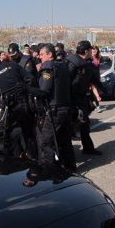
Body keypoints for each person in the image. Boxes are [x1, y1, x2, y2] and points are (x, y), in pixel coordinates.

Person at [0, 43, 37, 159]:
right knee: (29, 134)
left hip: (10, 110)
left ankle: (10, 161)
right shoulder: (12, 65)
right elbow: (30, 79)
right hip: (25, 105)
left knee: (2, 135)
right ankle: (33, 161)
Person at [38, 43, 76, 172]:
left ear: (50, 55)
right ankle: (70, 168)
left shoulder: (48, 66)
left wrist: (29, 89)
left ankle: (49, 170)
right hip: (66, 108)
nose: (40, 57)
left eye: (42, 54)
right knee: (64, 141)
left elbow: (44, 90)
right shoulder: (63, 65)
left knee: (46, 141)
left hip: (55, 111)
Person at [66, 40, 105, 155]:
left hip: (79, 98)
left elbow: (93, 80)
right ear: (86, 51)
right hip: (73, 99)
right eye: (90, 50)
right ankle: (68, 153)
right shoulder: (74, 63)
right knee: (74, 125)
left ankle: (87, 148)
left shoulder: (75, 62)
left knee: (84, 124)